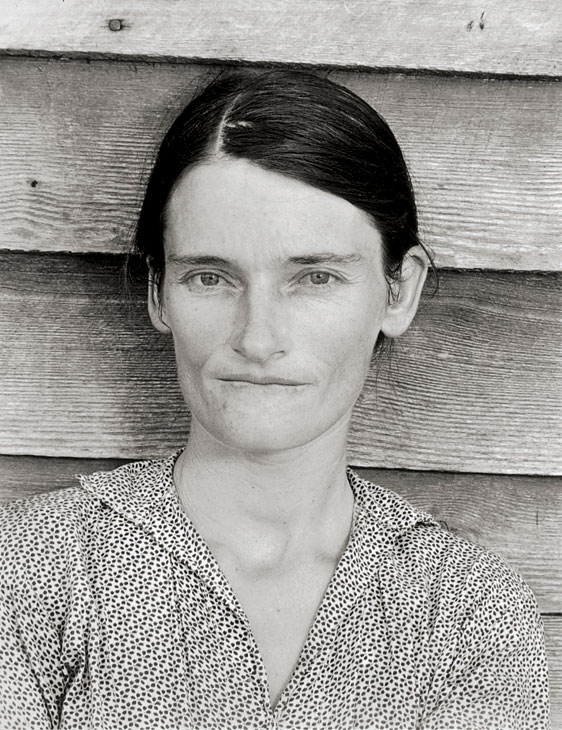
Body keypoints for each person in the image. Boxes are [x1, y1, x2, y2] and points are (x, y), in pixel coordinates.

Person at [0, 70, 550, 729]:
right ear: (158, 292)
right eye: (210, 276)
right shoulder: (30, 570)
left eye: (314, 277)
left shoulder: (464, 608)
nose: (257, 338)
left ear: (399, 291)